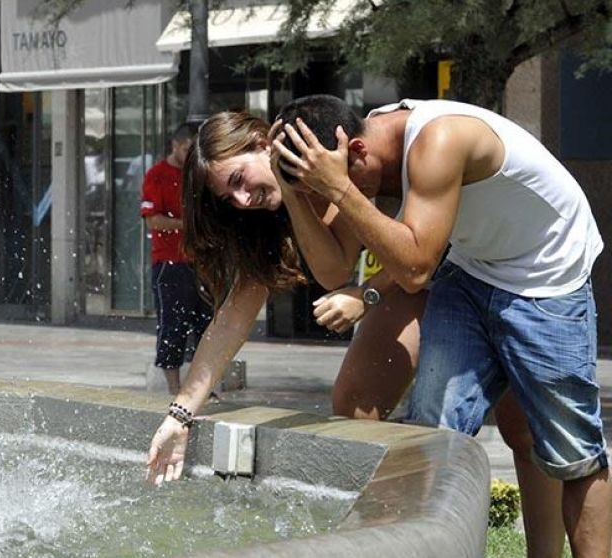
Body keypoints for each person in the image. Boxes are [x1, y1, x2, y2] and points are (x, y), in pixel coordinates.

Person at [145, 100, 603, 557]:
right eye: (230, 197)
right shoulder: (309, 172)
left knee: (550, 439)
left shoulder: (411, 142)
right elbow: (326, 273)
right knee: (412, 424)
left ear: (263, 143)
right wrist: (180, 413)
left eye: (240, 182)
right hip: (466, 265)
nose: (242, 202)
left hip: (543, 272)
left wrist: (361, 279)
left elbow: (417, 264)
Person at [140, 123, 213, 394]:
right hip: (169, 263)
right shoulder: (157, 175)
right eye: (187, 149)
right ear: (175, 145)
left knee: (207, 325)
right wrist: (189, 225)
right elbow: (153, 221)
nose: (192, 154)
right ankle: (174, 388)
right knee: (173, 326)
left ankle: (202, 387)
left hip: (203, 262)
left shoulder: (199, 173)